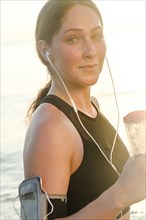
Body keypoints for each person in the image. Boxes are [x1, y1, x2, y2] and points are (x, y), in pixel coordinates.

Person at [23, 0, 146, 219]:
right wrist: (121, 194)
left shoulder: (92, 107)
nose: (91, 51)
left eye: (97, 36)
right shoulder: (51, 126)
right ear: (45, 50)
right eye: (73, 39)